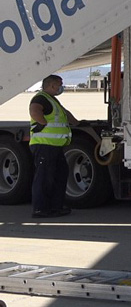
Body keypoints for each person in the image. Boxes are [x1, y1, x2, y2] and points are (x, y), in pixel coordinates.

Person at [28, 74, 77, 218]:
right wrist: (43, 123)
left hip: (54, 146)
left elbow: (66, 115)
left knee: (60, 175)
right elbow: (34, 111)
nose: (61, 87)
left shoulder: (52, 100)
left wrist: (78, 123)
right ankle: (40, 209)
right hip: (44, 145)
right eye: (59, 84)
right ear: (51, 85)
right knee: (44, 178)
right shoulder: (40, 98)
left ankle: (56, 207)